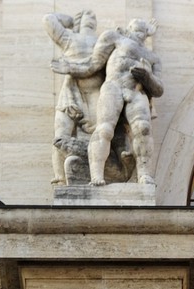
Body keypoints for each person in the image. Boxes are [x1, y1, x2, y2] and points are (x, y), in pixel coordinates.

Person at [59, 19, 163, 187]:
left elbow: (159, 89)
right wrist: (70, 67)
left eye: (143, 31)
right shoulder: (115, 37)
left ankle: (144, 174)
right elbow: (93, 64)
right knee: (105, 128)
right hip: (113, 87)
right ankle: (96, 175)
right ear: (128, 28)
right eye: (136, 29)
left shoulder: (152, 57)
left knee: (143, 128)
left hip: (136, 92)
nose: (139, 33)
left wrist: (147, 77)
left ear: (147, 34)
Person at [45, 12, 104, 185]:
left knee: (100, 134)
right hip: (70, 93)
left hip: (96, 94)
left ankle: (95, 175)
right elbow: (48, 20)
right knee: (60, 135)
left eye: (93, 16)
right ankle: (60, 178)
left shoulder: (103, 41)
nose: (92, 17)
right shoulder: (70, 38)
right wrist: (69, 21)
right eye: (86, 16)